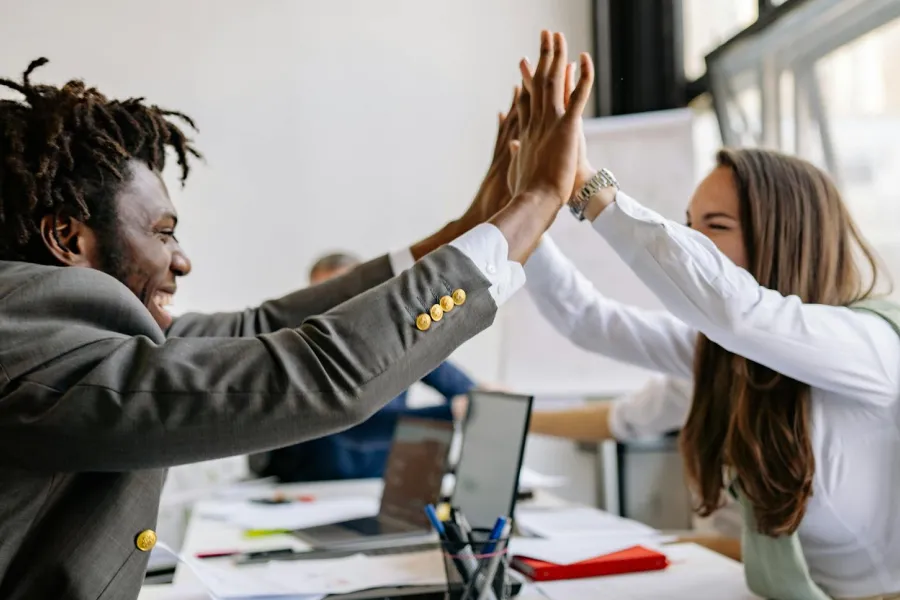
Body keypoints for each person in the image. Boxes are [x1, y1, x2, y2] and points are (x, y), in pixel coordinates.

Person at [0, 32, 595, 599]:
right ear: (66, 237)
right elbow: (317, 377)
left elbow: (258, 327)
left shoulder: (47, 321)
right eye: (163, 233)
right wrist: (537, 200)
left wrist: (469, 230)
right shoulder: (29, 345)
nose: (182, 261)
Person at [519, 131, 900, 599]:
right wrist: (525, 214)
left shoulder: (869, 346)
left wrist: (588, 188)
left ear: (784, 238)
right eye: (687, 226)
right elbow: (588, 321)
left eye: (715, 227)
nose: (691, 245)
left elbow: (738, 311)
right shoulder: (723, 355)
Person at [250, 251, 476, 482]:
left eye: (341, 296)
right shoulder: (302, 351)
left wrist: (479, 399)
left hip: (374, 483)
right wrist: (449, 412)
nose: (332, 308)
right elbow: (358, 423)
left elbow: (464, 388)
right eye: (320, 297)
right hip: (309, 484)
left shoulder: (397, 339)